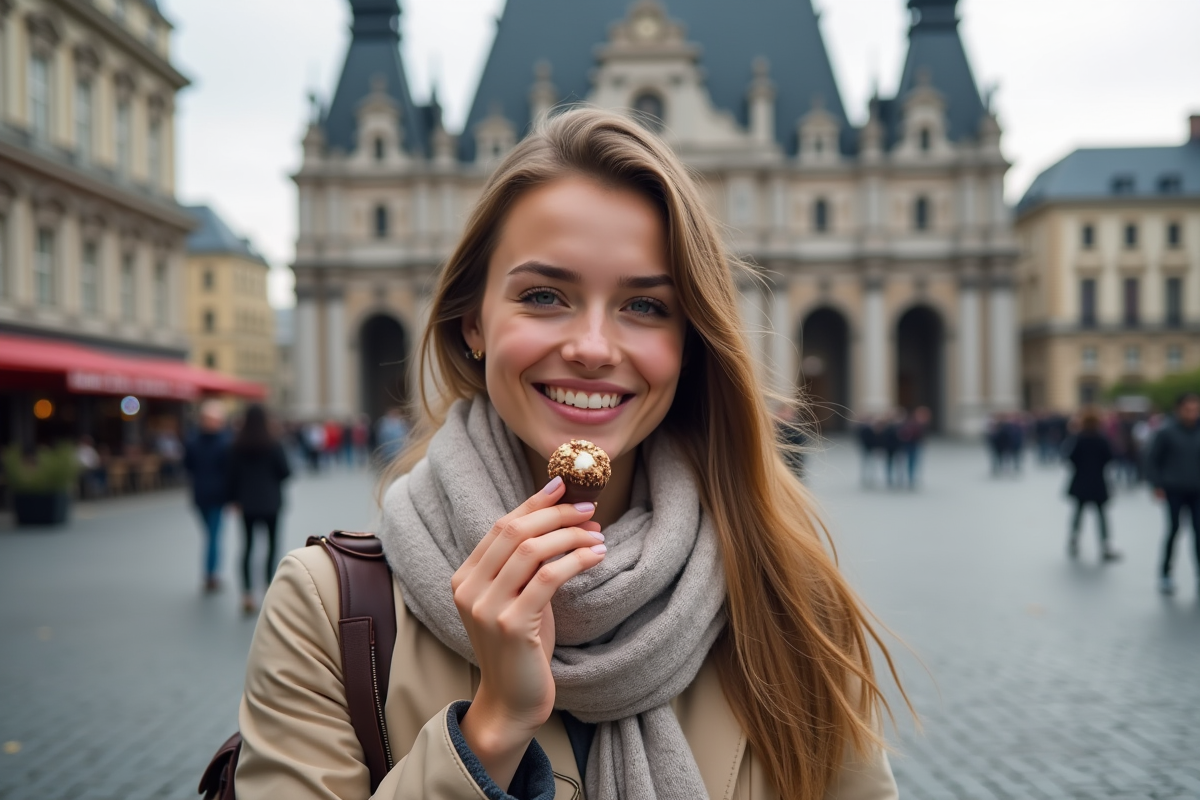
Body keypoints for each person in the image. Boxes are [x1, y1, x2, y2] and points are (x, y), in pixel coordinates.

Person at [234, 109, 905, 800]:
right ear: (473, 323)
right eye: (544, 295)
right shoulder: (326, 610)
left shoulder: (789, 595)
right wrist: (490, 730)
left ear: (689, 341)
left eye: (645, 306)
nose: (591, 347)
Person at [226, 404, 292, 614]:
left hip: (246, 503)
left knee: (247, 547)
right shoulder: (274, 444)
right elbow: (285, 472)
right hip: (271, 502)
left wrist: (234, 498)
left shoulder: (236, 445)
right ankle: (268, 588)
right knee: (272, 546)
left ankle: (246, 594)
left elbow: (231, 476)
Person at [1145, 392, 1200, 595]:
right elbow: (1152, 460)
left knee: (1199, 533)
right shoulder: (1166, 432)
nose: (1193, 413)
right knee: (1174, 531)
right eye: (1189, 409)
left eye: (1196, 409)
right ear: (1179, 410)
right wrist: (1157, 485)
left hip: (1197, 490)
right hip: (1174, 488)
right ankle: (1166, 573)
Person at [183, 400, 231, 593]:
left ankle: (210, 573)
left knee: (210, 534)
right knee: (213, 536)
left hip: (201, 493)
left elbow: (188, 465)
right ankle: (210, 574)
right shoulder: (225, 441)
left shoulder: (193, 440)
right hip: (215, 495)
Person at [1063, 408, 1120, 562]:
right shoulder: (1102, 439)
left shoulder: (1078, 438)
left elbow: (1070, 458)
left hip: (1081, 480)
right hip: (1098, 481)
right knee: (1101, 515)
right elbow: (1110, 457)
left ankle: (1074, 540)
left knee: (1078, 513)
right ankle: (1105, 544)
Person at [899, 406, 931, 489]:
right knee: (908, 462)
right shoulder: (912, 423)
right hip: (909, 445)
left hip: (915, 446)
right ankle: (906, 478)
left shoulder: (921, 424)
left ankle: (911, 478)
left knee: (914, 462)